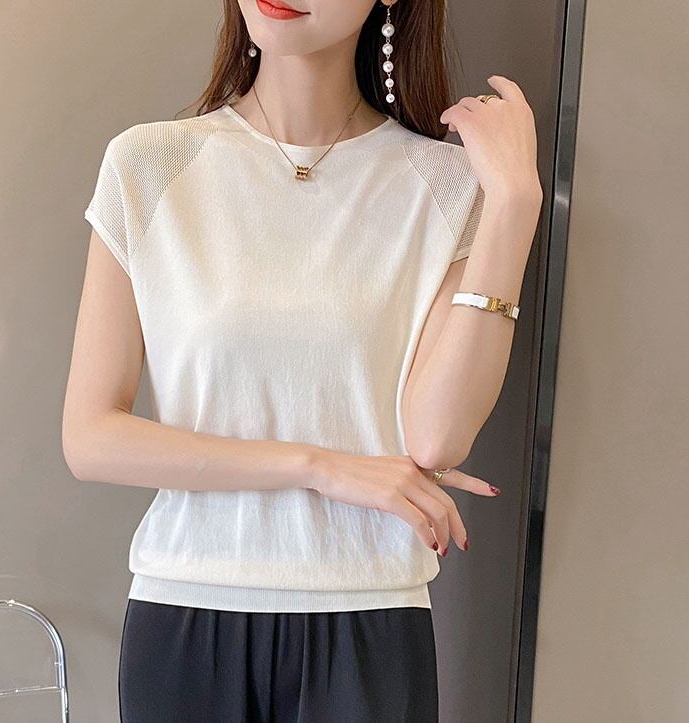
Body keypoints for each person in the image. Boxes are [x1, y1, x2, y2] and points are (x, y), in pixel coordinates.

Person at [62, 0, 542, 720]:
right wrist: (319, 465)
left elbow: (437, 440)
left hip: (369, 616)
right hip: (187, 613)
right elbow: (91, 437)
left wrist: (515, 203)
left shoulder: (446, 184)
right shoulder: (149, 163)